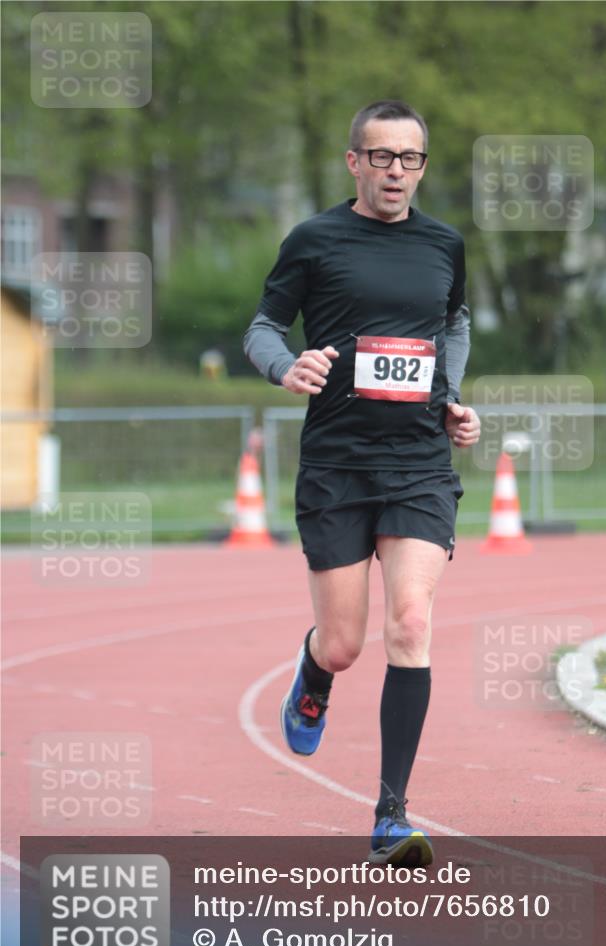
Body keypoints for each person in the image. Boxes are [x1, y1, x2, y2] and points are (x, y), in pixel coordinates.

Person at [244, 99, 481, 866]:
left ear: (421, 165)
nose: (395, 171)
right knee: (345, 644)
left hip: (418, 463)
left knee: (409, 623)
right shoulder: (314, 240)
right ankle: (314, 673)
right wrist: (288, 367)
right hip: (337, 464)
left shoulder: (443, 244)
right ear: (354, 162)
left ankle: (389, 815)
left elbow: (454, 322)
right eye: (381, 157)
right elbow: (262, 329)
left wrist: (449, 396)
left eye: (409, 158)